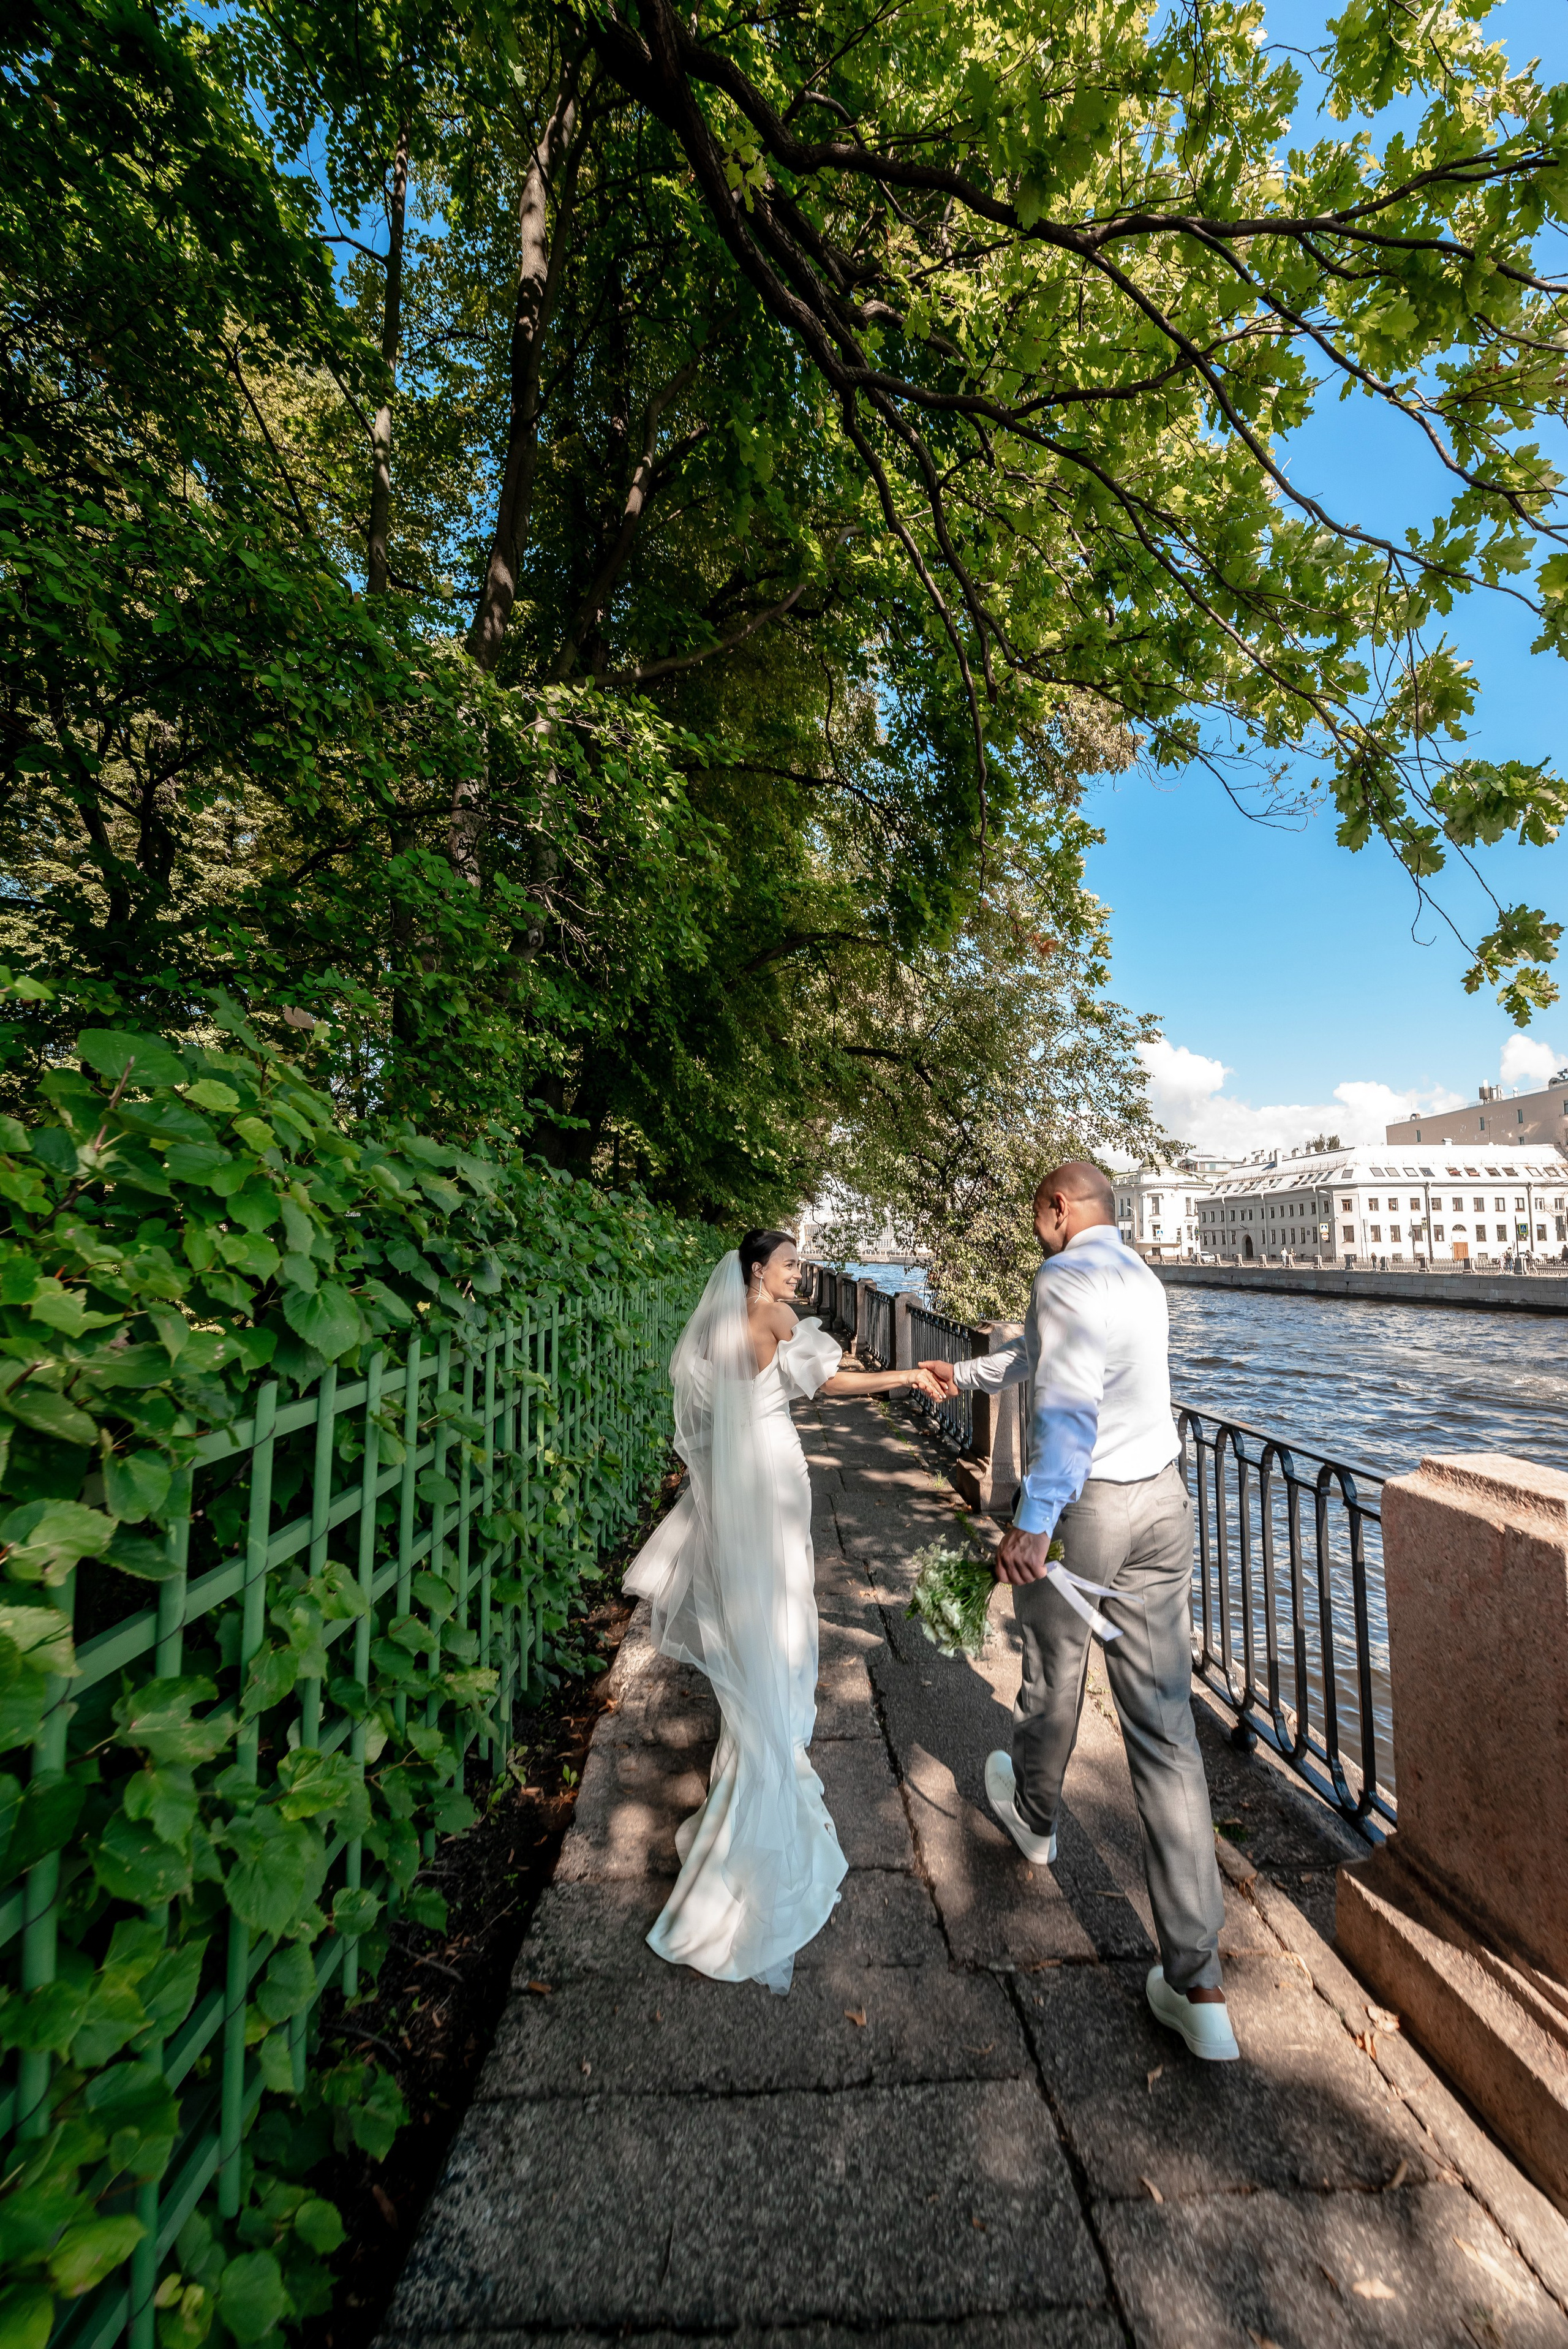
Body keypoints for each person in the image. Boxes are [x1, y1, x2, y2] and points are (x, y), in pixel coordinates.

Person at [920, 1163, 1238, 2061]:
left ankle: (1035, 1816)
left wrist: (1033, 1521)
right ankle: (1199, 1984)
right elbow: (1040, 1355)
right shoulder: (1139, 1275)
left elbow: (1066, 1409)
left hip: (1089, 1507)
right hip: (1163, 1502)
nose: (1037, 1231)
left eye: (1037, 1215)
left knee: (1055, 1675)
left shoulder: (1062, 1273)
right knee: (1166, 1726)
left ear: (1059, 1207)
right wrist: (963, 1371)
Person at [625, 1231, 943, 1993]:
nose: (799, 1274)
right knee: (786, 1610)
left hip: (736, 1481)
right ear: (757, 1270)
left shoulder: (714, 1325)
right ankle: (770, 1767)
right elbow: (829, 1383)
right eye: (791, 1263)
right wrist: (910, 1374)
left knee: (757, 1612)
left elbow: (703, 1413)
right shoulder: (773, 1317)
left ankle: (755, 1739)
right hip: (773, 1474)